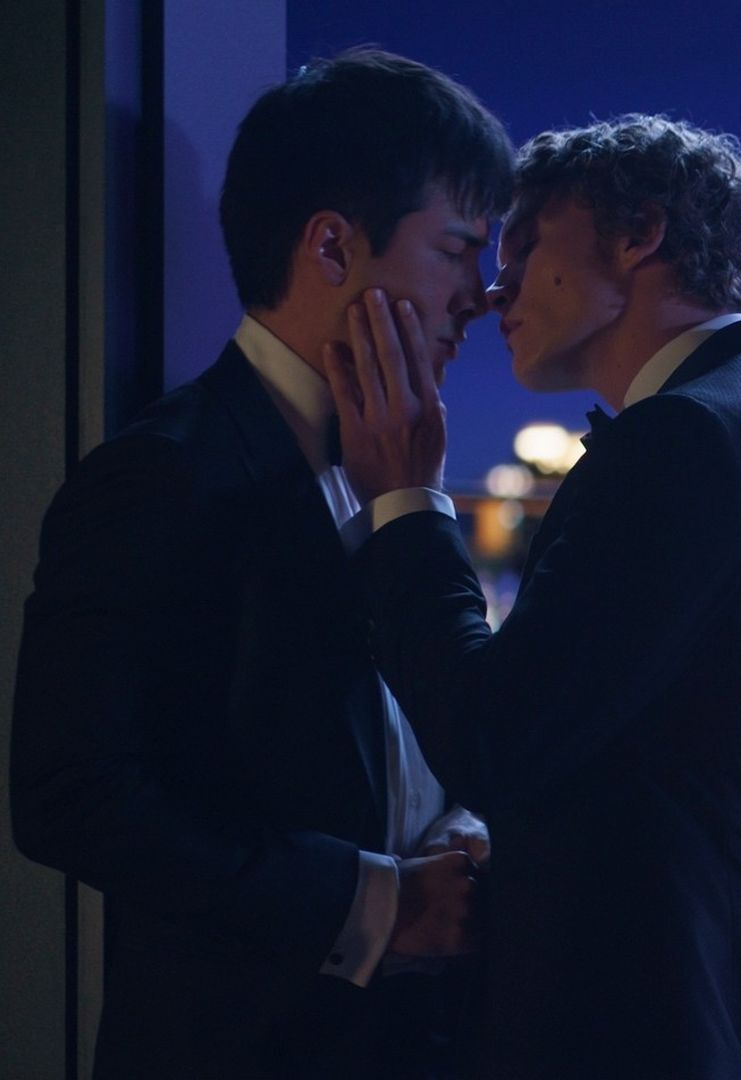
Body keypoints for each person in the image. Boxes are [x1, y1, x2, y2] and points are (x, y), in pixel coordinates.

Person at [324, 114, 741, 1077]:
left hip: (680, 1030)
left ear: (639, 234)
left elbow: (493, 737)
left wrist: (407, 499)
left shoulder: (683, 443)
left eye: (526, 243)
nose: (496, 288)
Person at [10, 49, 514, 1078]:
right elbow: (72, 794)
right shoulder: (160, 474)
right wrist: (377, 904)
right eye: (458, 249)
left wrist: (462, 828)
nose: (482, 295)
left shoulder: (399, 462)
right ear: (331, 245)